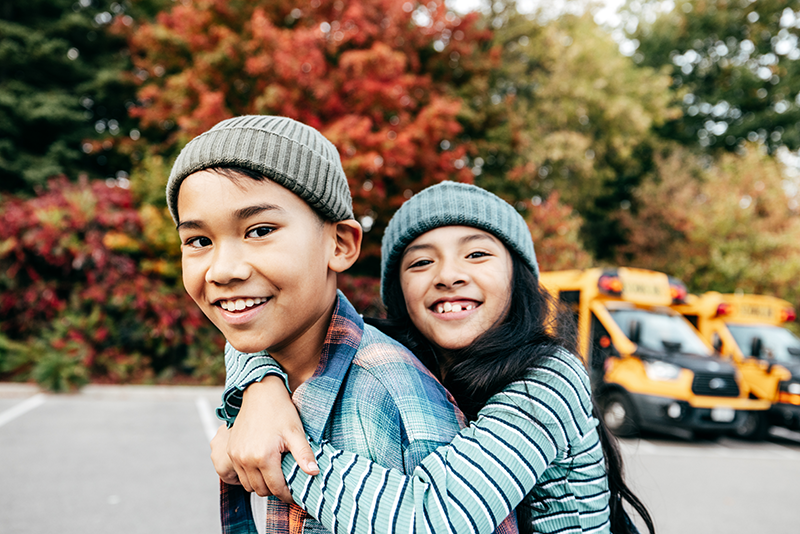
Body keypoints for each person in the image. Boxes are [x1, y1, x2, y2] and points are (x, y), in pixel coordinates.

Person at [211, 181, 655, 534]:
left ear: (517, 275)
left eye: (477, 254)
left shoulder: (549, 376)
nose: (449, 276)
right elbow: (266, 328)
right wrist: (261, 388)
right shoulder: (402, 355)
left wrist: (272, 455)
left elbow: (439, 517)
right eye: (421, 263)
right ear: (399, 293)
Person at [167, 117, 516, 534]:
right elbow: (240, 344)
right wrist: (259, 384)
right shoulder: (276, 349)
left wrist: (276, 456)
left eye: (260, 230)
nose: (222, 270)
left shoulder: (382, 397)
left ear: (340, 244)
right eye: (199, 241)